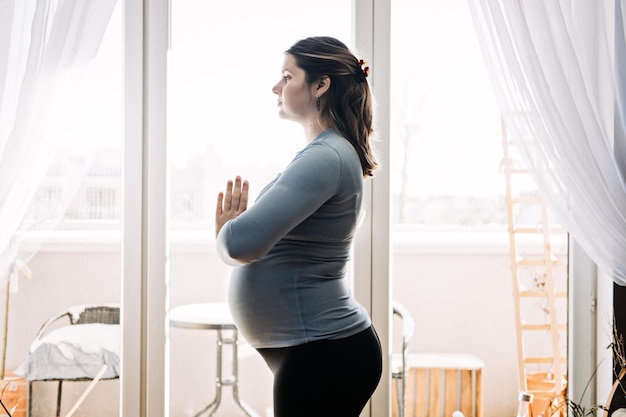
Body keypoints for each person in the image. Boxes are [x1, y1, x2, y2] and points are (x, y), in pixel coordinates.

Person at [215, 36, 382, 417]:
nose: (276, 87)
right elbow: (242, 244)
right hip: (318, 350)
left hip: (323, 353)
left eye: (288, 76)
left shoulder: (327, 156)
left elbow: (241, 245)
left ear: (321, 85)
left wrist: (227, 232)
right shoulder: (327, 153)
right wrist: (230, 236)